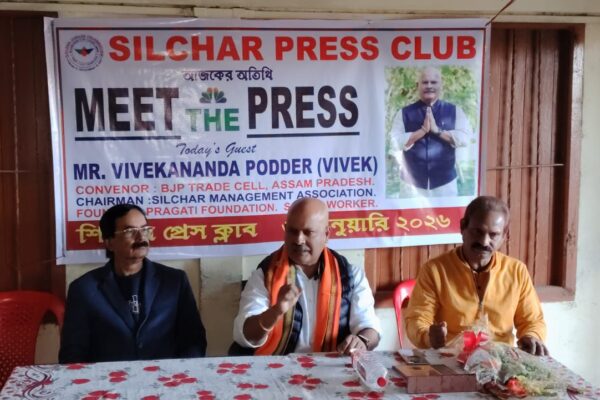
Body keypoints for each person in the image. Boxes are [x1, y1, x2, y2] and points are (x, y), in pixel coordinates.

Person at [231, 197, 381, 356]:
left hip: (330, 365)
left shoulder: (351, 276)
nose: (299, 240)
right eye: (292, 231)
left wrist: (362, 341)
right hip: (278, 365)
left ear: (326, 234)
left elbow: (370, 328)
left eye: (308, 232)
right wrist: (275, 312)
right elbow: (244, 336)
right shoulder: (265, 275)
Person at [59, 204, 207, 363]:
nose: (141, 237)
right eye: (130, 231)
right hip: (108, 376)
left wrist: (182, 372)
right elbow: (73, 352)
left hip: (166, 374)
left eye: (144, 229)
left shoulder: (174, 281)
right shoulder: (84, 289)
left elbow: (193, 340)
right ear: (109, 242)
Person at [404, 196, 548, 355]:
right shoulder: (434, 270)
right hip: (449, 360)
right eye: (477, 231)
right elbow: (416, 320)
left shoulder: (517, 271)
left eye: (493, 235)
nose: (484, 242)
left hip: (501, 361)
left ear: (504, 235)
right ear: (463, 227)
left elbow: (533, 321)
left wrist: (531, 336)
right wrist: (429, 337)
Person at [390, 66, 472, 197]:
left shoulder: (455, 111)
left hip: (445, 185)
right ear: (417, 85)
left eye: (433, 82)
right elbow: (394, 141)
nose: (429, 86)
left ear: (441, 85)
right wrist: (421, 131)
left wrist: (438, 131)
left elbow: (465, 138)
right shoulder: (404, 113)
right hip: (411, 186)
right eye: (425, 82)